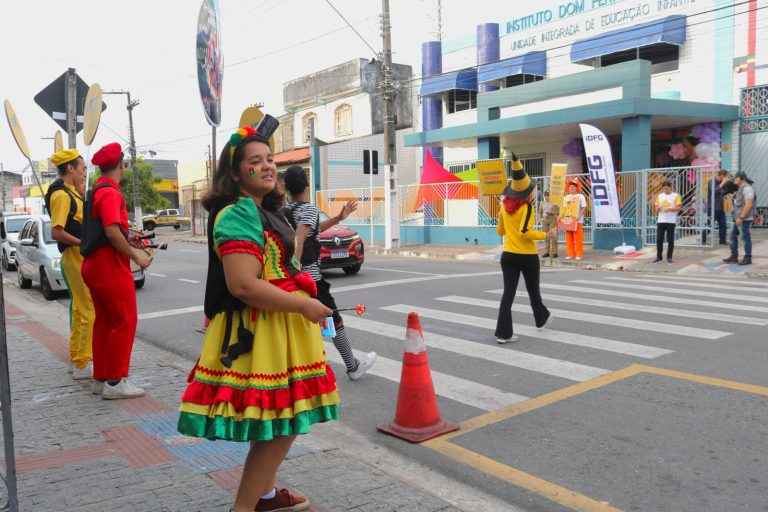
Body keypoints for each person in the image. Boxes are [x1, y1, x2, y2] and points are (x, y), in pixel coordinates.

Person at [177, 126, 339, 512]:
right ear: (235, 173)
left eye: (269, 159)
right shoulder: (238, 214)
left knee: (274, 418)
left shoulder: (265, 210)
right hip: (261, 329)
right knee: (285, 422)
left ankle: (265, 496)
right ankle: (244, 508)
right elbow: (243, 286)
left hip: (278, 328)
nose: (267, 167)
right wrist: (302, 305)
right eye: (255, 162)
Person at [282, 165, 377, 381]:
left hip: (290, 279)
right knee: (333, 318)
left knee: (302, 324)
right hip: (310, 278)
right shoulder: (309, 209)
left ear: (286, 187)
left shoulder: (286, 210)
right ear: (306, 184)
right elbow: (302, 234)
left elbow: (311, 229)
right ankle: (352, 366)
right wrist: (296, 266)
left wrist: (338, 218)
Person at [81, 143, 151, 399]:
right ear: (120, 165)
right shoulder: (111, 193)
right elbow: (111, 231)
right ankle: (116, 382)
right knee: (124, 320)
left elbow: (108, 230)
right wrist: (137, 258)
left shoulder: (95, 191)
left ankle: (101, 379)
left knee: (105, 322)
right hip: (109, 264)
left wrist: (128, 239)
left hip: (93, 264)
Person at [46, 149, 95, 381]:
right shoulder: (61, 196)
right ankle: (83, 363)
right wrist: (83, 243)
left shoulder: (70, 192)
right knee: (88, 311)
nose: (85, 173)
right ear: (70, 169)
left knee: (78, 309)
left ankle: (77, 359)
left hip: (79, 255)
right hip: (75, 256)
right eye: (83, 168)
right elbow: (57, 232)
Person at [494, 152, 553, 344]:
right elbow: (525, 232)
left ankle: (503, 334)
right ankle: (540, 319)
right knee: (533, 291)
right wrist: (546, 235)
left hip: (508, 255)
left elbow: (500, 232)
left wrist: (502, 217)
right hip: (526, 256)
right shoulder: (527, 208)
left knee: (507, 295)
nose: (535, 191)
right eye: (533, 189)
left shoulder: (504, 207)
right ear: (527, 192)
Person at [723, 171, 756, 266]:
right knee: (732, 236)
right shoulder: (739, 189)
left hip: (744, 219)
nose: (734, 179)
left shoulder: (747, 189)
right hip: (737, 218)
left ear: (742, 178)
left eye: (736, 178)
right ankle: (734, 256)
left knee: (745, 237)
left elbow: (748, 205)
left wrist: (741, 217)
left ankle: (747, 258)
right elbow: (738, 202)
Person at [652, 180, 681, 264]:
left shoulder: (676, 196)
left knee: (670, 239)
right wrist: (657, 208)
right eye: (664, 189)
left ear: (670, 187)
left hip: (671, 221)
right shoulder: (660, 196)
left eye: (667, 189)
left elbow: (679, 208)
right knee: (659, 239)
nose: (665, 190)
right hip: (661, 220)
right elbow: (656, 206)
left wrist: (670, 209)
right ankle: (659, 257)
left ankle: (669, 257)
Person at [559, 180, 586, 260]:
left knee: (578, 238)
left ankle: (578, 255)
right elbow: (563, 209)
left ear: (577, 188)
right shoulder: (566, 197)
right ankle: (570, 254)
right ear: (568, 188)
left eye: (574, 187)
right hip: (568, 220)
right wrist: (560, 216)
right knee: (569, 238)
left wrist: (579, 216)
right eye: (570, 187)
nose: (572, 188)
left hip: (578, 221)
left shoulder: (581, 196)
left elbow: (584, 207)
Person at [702, 170, 729, 245]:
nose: (725, 178)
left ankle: (722, 240)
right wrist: (723, 183)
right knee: (709, 225)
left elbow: (724, 192)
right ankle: (703, 239)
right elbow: (714, 191)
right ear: (722, 175)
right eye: (725, 177)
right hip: (713, 208)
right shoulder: (712, 181)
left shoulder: (721, 183)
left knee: (723, 225)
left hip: (721, 208)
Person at [538, 189, 559, 258]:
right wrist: (540, 218)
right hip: (545, 220)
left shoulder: (554, 203)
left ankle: (554, 252)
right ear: (544, 196)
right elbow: (540, 211)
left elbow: (558, 212)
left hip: (552, 219)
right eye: (546, 195)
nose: (548, 197)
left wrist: (553, 213)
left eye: (549, 195)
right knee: (546, 236)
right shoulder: (542, 203)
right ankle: (546, 252)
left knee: (553, 236)